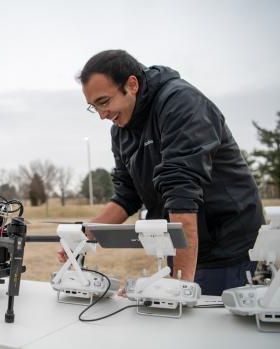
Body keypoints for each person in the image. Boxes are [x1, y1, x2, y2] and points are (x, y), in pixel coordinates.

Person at [59, 49, 264, 296]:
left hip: (227, 244)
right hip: (178, 241)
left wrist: (181, 287)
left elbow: (181, 190)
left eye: (104, 101)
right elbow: (127, 195)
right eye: (94, 107)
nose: (102, 115)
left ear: (131, 84)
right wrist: (85, 235)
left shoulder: (181, 103)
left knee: (201, 325)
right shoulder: (121, 130)